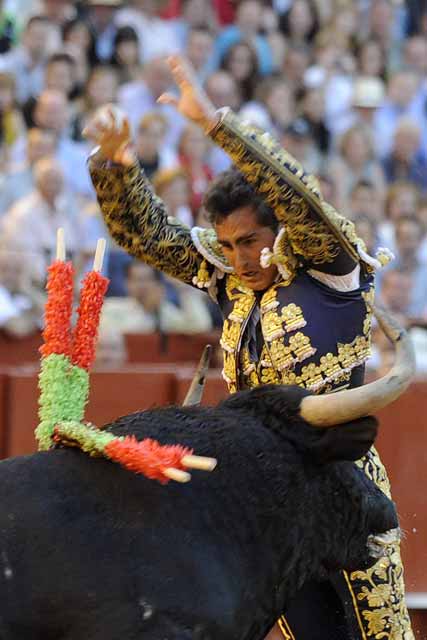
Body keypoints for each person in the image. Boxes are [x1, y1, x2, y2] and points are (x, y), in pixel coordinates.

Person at [84, 55, 413, 640]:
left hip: (343, 484)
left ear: (280, 233)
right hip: (267, 492)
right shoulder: (230, 278)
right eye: (230, 244)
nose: (241, 257)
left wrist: (217, 126)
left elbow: (299, 200)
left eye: (253, 241)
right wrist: (117, 163)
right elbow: (150, 235)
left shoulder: (331, 267)